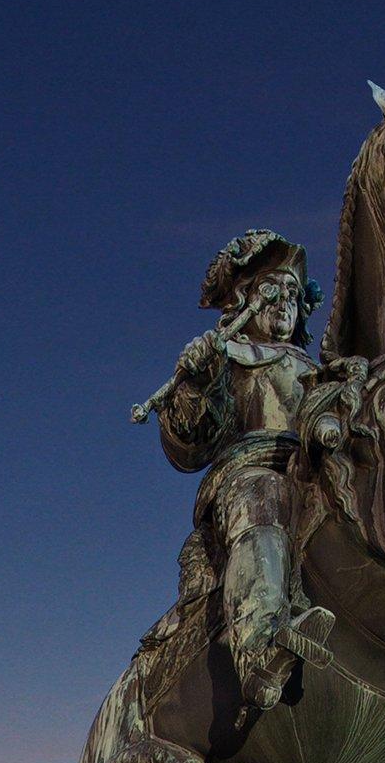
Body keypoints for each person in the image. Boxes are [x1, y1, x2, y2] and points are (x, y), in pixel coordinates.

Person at [132, 229, 336, 704]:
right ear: (246, 299)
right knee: (262, 495)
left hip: (318, 468)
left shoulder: (320, 367)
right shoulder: (231, 358)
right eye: (271, 290)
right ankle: (260, 646)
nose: (284, 301)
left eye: (292, 293)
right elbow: (189, 445)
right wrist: (199, 383)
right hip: (251, 473)